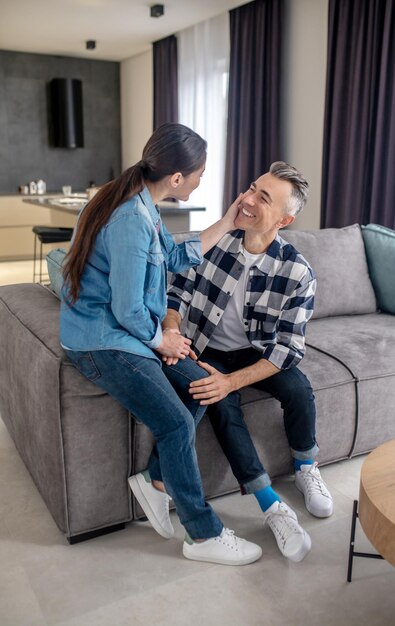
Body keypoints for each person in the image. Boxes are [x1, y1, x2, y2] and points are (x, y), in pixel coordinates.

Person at [59, 123, 262, 567]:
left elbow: (173, 257)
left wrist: (228, 222)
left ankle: (152, 480)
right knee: (175, 424)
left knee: (200, 386)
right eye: (200, 173)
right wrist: (163, 340)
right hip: (101, 342)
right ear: (177, 178)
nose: (201, 180)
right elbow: (130, 310)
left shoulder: (140, 202)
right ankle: (203, 535)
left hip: (126, 331)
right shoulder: (130, 218)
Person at [158, 161, 333, 563]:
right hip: (207, 345)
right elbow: (177, 291)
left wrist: (232, 380)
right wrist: (172, 328)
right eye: (252, 188)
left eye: (263, 197)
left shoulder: (297, 272)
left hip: (259, 350)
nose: (249, 199)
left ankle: (307, 466)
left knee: (297, 387)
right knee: (219, 404)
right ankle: (272, 506)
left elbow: (288, 348)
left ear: (285, 219)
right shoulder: (215, 242)